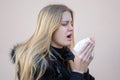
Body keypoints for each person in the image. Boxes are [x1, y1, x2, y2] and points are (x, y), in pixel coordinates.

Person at [10, 4, 95, 80]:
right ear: (49, 28)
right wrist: (78, 71)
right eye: (65, 24)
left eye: (71, 23)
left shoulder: (68, 57)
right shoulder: (37, 64)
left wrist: (84, 67)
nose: (71, 28)